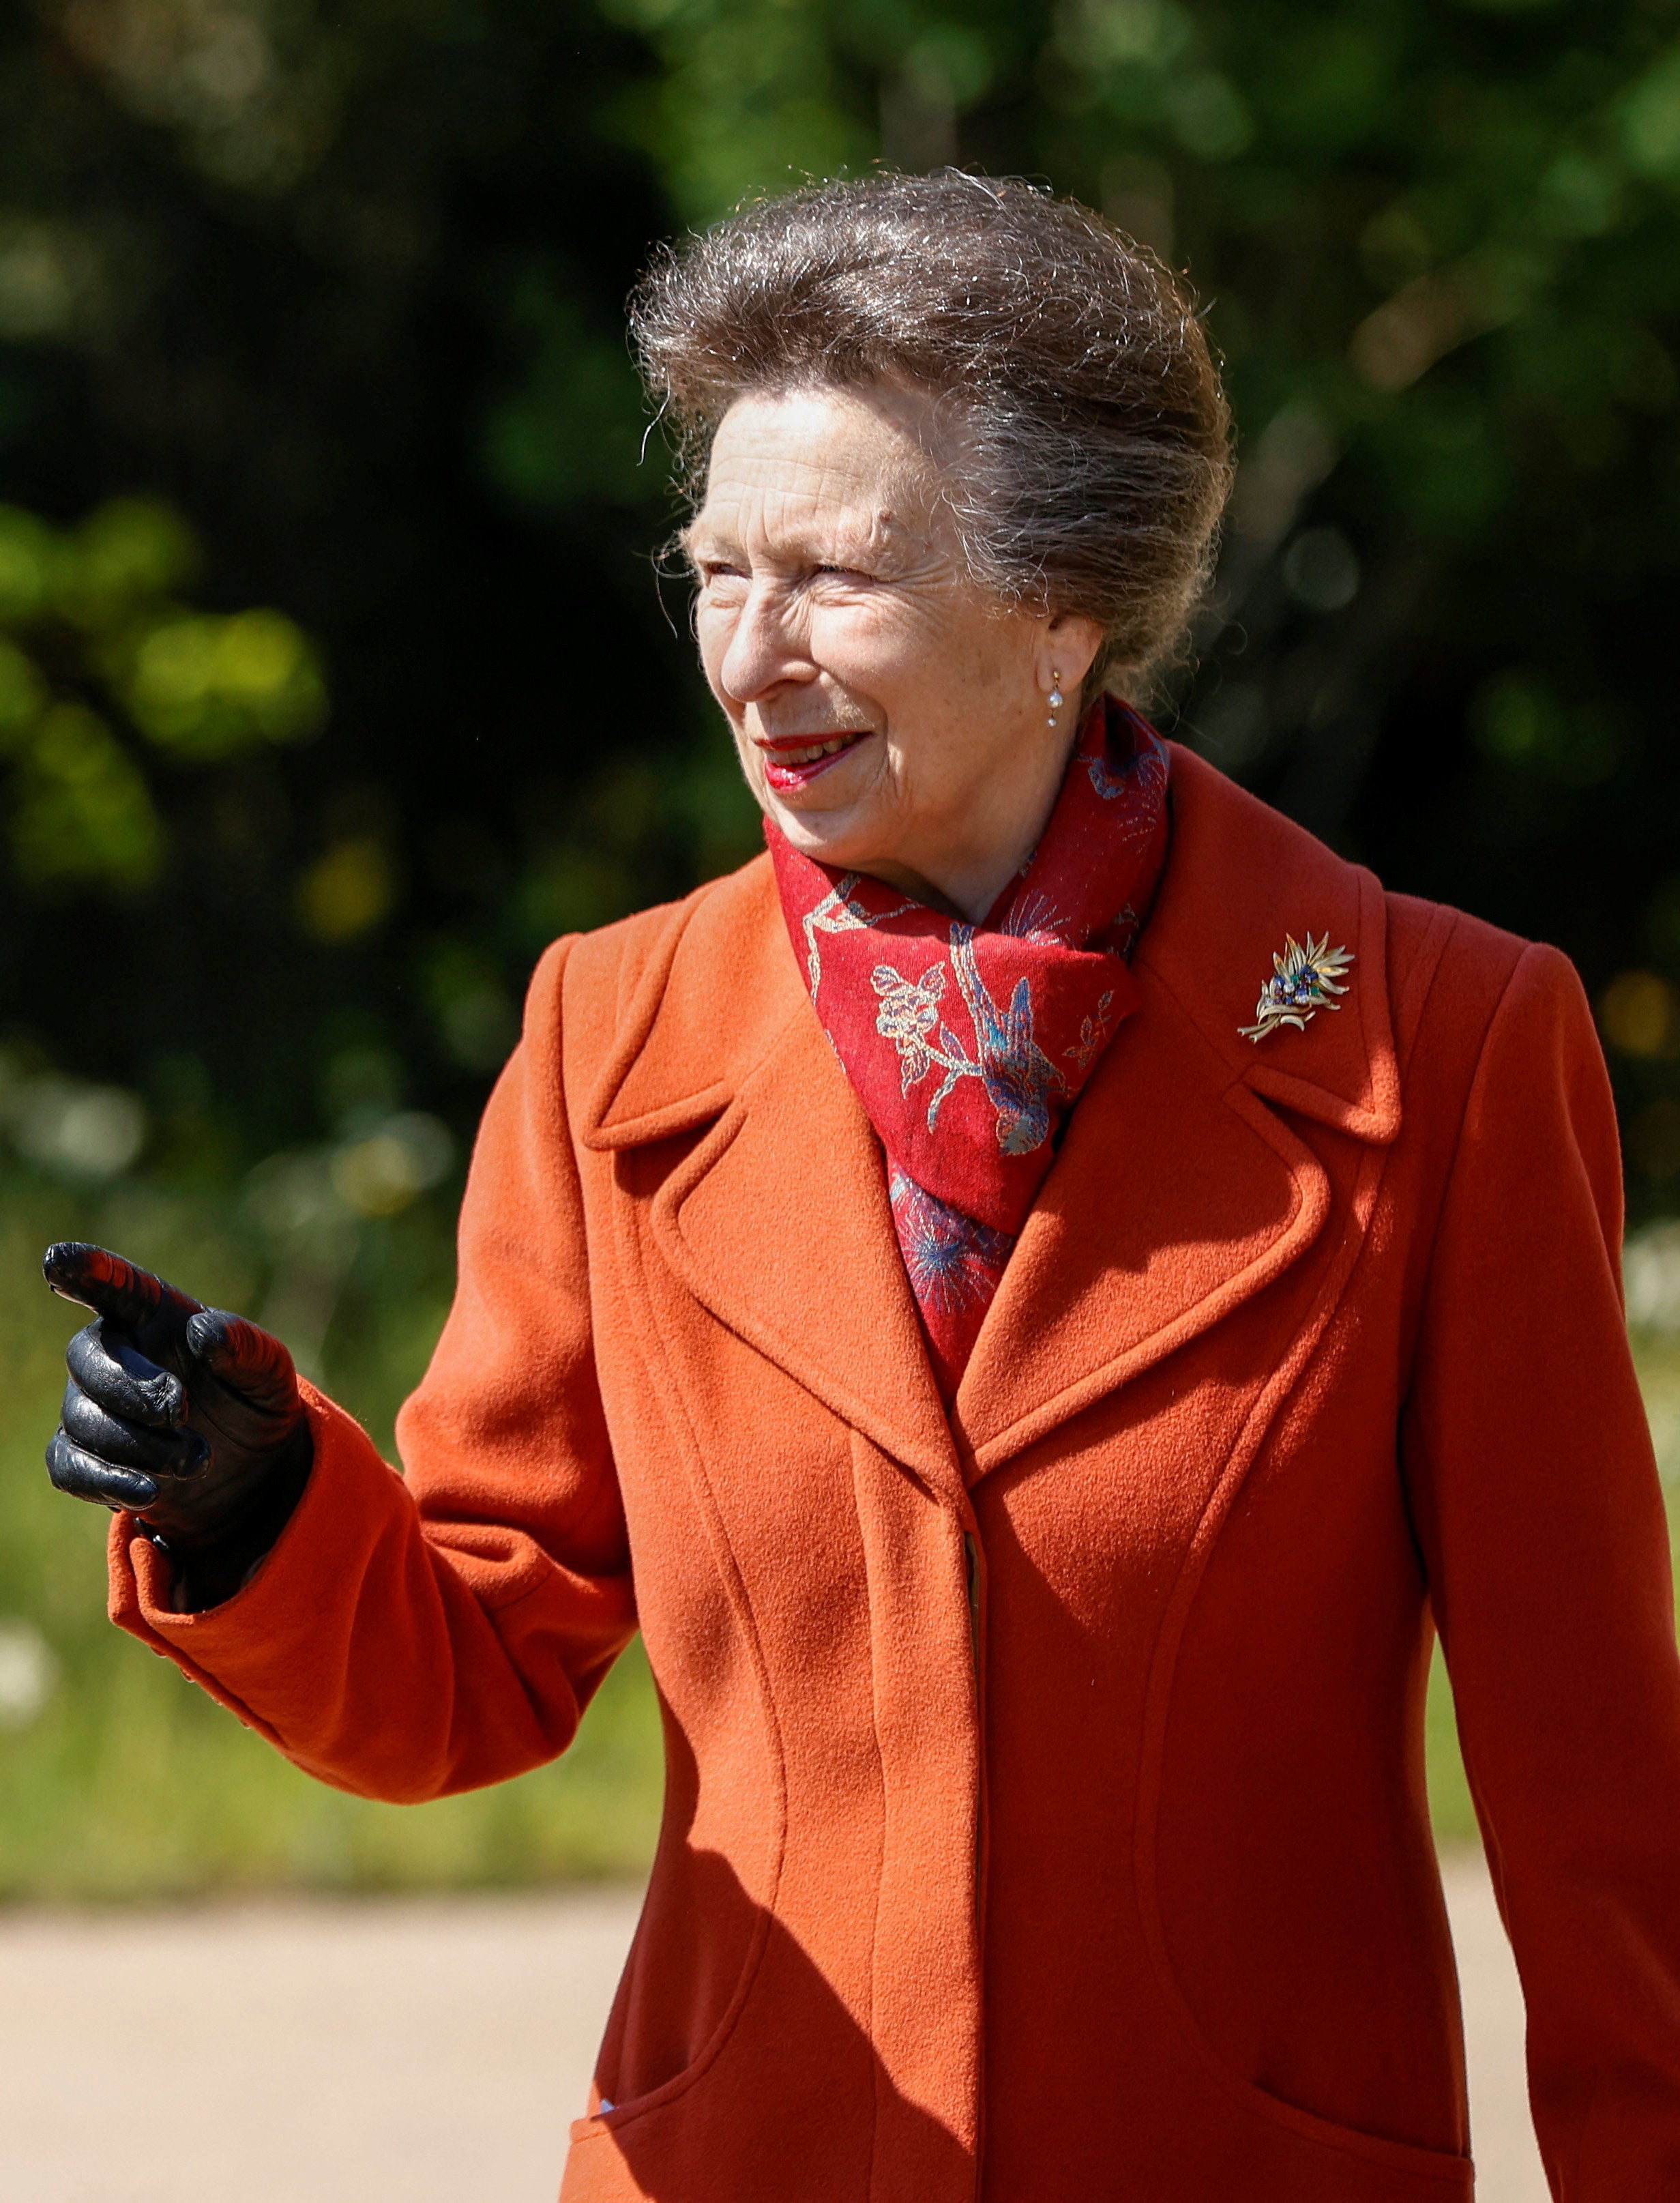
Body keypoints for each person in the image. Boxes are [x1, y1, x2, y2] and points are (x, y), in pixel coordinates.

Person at [40, 173, 1680, 2202]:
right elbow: (468, 1674)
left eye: (835, 576)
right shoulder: (606, 1032)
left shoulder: (1444, 1040)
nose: (752, 653)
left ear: (1065, 607)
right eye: (716, 570)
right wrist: (258, 1500)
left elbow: (1605, 1812)